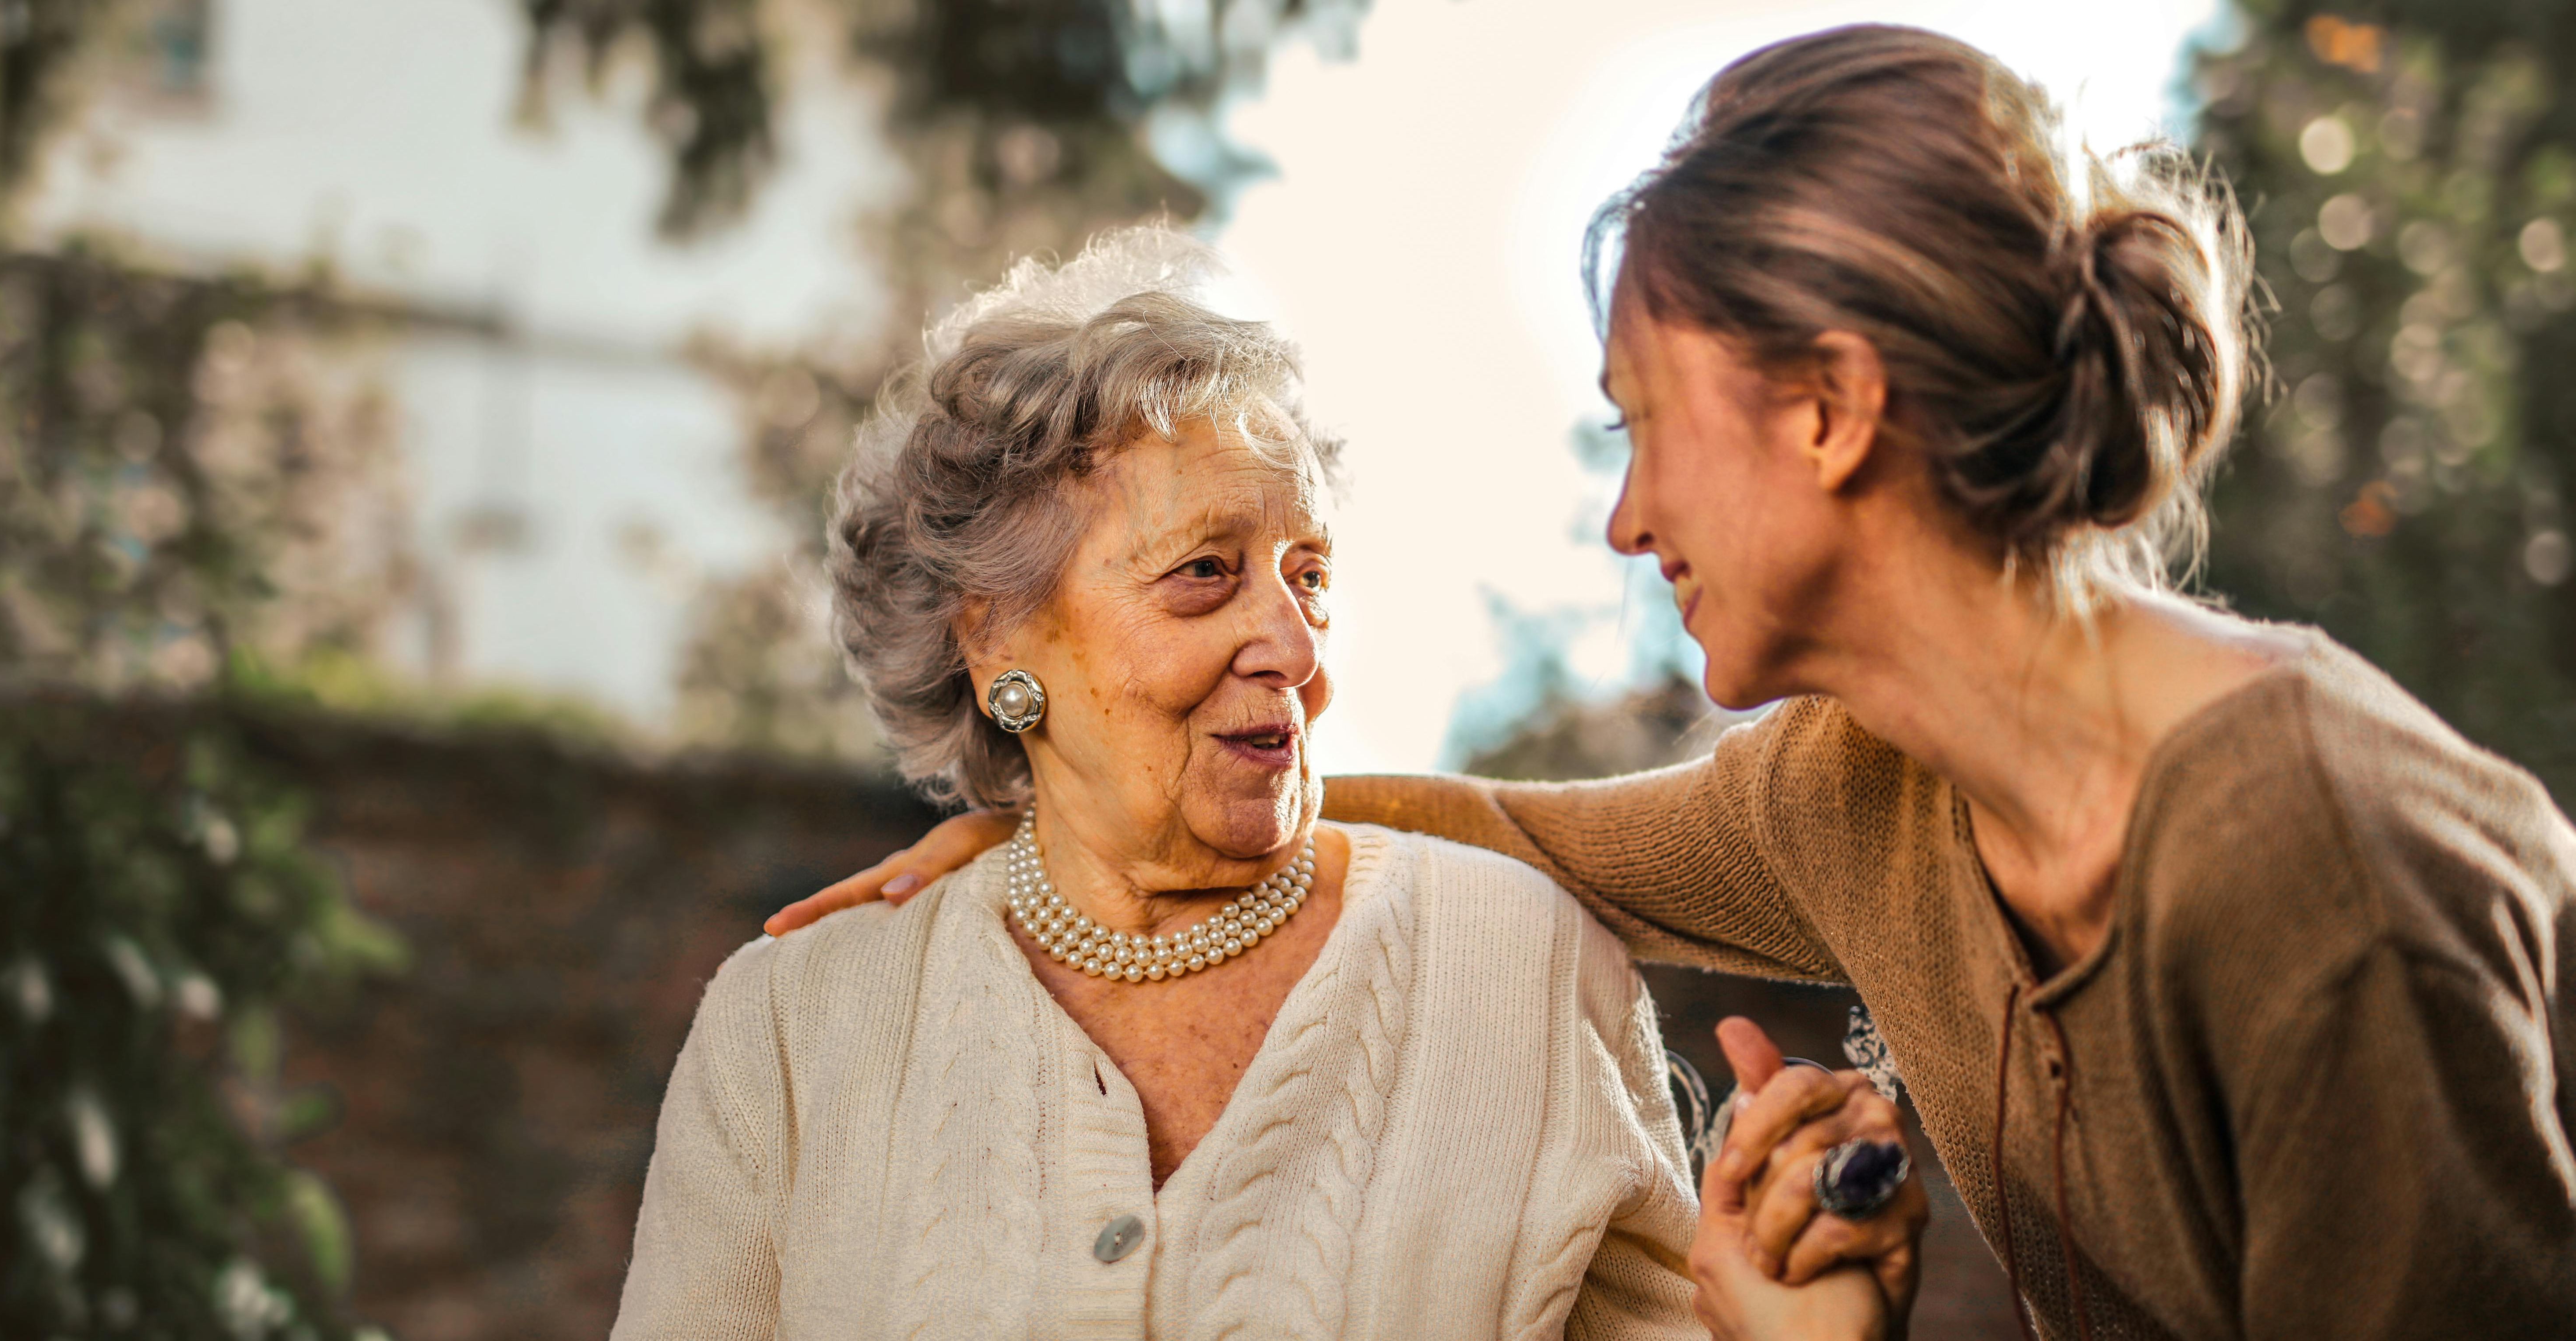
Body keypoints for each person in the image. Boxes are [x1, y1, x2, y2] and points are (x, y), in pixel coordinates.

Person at [769, 24, 2576, 1341]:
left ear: (1828, 406)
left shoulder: (2309, 865)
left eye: (1644, 428)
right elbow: (1500, 831)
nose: (1627, 519)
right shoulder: (1859, 790)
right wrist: (1074, 828)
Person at [615, 229, 1816, 1339]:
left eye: (1309, 575)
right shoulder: (791, 1028)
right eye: (1203, 572)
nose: (1295, 650)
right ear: (995, 644)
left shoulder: (1522, 966)